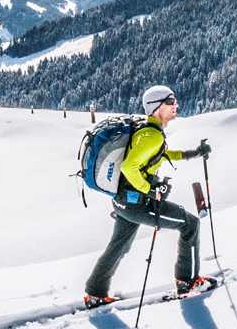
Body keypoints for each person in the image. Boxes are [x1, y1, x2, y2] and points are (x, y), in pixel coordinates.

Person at [83, 85, 214, 308]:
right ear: (156, 108)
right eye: (170, 102)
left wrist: (193, 153)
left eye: (174, 100)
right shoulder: (151, 136)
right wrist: (151, 190)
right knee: (190, 224)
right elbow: (129, 166)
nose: (175, 105)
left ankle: (95, 293)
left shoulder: (147, 131)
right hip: (138, 203)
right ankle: (188, 282)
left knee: (119, 245)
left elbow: (160, 155)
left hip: (123, 200)